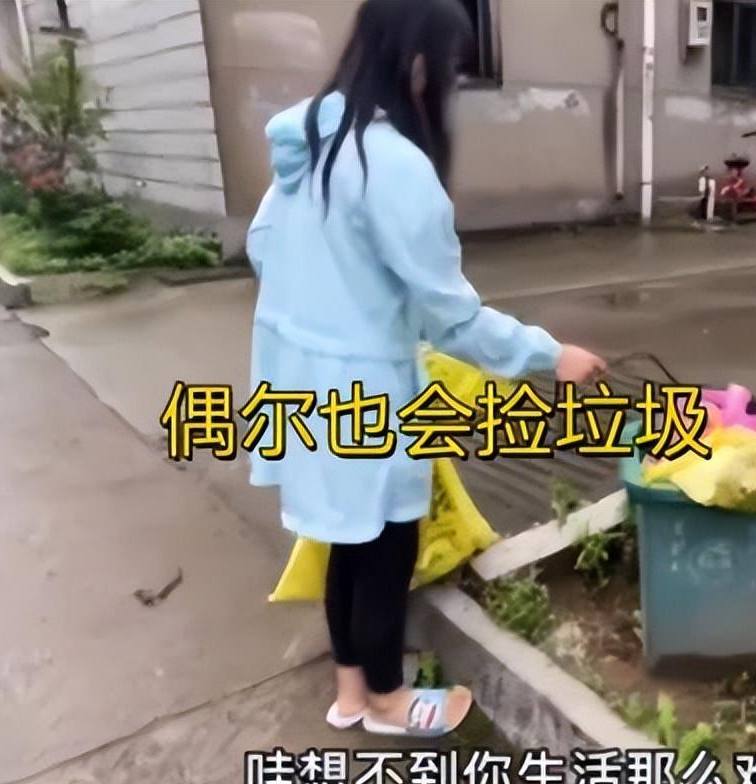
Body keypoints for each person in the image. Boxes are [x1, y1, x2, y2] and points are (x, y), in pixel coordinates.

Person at [245, 0, 606, 737]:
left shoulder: (306, 148)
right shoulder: (391, 165)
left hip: (296, 382)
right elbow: (455, 319)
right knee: (385, 548)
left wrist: (340, 301)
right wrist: (552, 354)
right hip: (364, 388)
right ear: (416, 63)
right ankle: (387, 701)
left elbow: (261, 247)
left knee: (344, 540)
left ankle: (351, 693)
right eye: (448, 68)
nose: (448, 84)